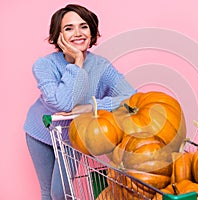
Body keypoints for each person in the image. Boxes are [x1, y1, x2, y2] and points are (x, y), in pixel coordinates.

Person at [24, 4, 136, 200]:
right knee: (46, 192)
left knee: (59, 193)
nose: (78, 33)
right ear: (58, 36)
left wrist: (92, 106)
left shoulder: (102, 67)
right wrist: (78, 62)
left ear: (92, 31)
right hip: (40, 132)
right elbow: (62, 104)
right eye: (69, 28)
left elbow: (132, 99)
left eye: (83, 26)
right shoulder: (44, 65)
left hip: (74, 136)